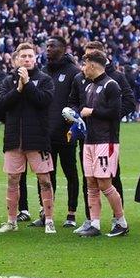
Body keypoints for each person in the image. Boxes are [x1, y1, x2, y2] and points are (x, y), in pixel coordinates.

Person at [0, 43, 55, 234]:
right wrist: (19, 89)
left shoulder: (45, 80)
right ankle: (11, 221)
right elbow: (0, 107)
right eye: (23, 56)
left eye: (30, 56)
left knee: (44, 180)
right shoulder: (7, 81)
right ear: (16, 60)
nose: (27, 59)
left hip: (37, 140)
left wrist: (27, 84)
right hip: (13, 139)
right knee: (12, 179)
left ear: (36, 59)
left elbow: (43, 101)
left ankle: (49, 220)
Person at [73, 51, 128, 238]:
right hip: (90, 141)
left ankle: (121, 222)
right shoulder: (89, 86)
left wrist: (91, 111)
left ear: (93, 65)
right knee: (91, 182)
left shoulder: (111, 85)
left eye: (84, 64)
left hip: (106, 140)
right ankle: (94, 224)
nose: (82, 68)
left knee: (105, 183)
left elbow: (115, 112)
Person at [40, 36, 82, 229]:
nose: (48, 49)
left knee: (70, 172)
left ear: (63, 48)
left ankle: (71, 213)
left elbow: (78, 101)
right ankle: (46, 213)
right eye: (47, 46)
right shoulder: (43, 72)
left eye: (52, 46)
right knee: (48, 175)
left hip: (66, 133)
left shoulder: (73, 72)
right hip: (46, 133)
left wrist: (71, 118)